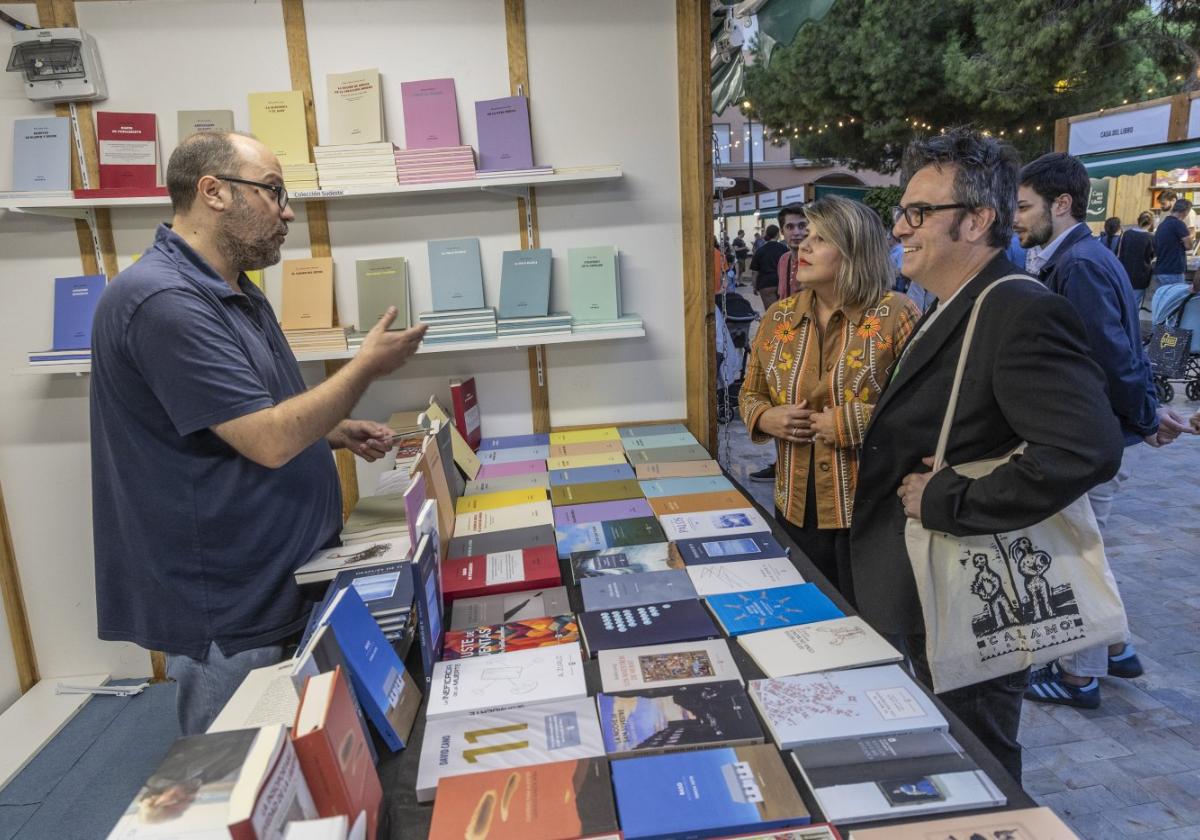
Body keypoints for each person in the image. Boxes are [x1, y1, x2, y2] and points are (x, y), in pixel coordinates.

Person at [90, 132, 428, 735]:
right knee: (230, 774)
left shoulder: (236, 289)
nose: (288, 211)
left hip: (282, 573)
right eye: (274, 192)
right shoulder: (163, 300)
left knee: (294, 756)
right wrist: (365, 368)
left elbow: (250, 414)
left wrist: (335, 428)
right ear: (213, 192)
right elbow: (269, 440)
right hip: (229, 596)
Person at [849, 128, 1124, 781]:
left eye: (919, 212)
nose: (901, 226)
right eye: (902, 211)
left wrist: (948, 498)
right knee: (955, 750)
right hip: (931, 583)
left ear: (977, 221)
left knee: (980, 761)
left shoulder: (1017, 309)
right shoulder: (958, 303)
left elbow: (1087, 447)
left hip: (972, 590)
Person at [1014, 152, 1191, 709]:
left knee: (1077, 558)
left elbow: (1109, 355)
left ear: (1060, 204)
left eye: (1023, 207)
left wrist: (1142, 417)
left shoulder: (1080, 264)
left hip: (1091, 437)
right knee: (1086, 550)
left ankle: (1079, 676)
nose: (1015, 217)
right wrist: (1147, 414)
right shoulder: (1081, 256)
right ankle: (1114, 649)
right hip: (1101, 431)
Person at [739, 196, 919, 596]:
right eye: (804, 234)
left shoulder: (896, 314)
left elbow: (923, 411)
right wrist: (766, 418)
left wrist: (846, 423)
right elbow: (750, 392)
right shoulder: (778, 317)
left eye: (820, 238)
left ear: (854, 250)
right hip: (795, 506)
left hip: (870, 512)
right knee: (810, 619)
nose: (802, 244)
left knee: (874, 629)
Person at [1117, 212, 1156, 311]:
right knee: (1134, 305)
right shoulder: (1150, 237)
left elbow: (1120, 251)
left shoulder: (1127, 234)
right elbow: (1152, 256)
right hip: (1141, 275)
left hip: (1124, 273)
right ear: (1151, 223)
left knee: (1122, 302)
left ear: (1138, 220)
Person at [1153, 199, 1194, 288]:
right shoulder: (1179, 224)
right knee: (1175, 300)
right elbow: (1189, 245)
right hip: (1173, 271)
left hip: (1161, 270)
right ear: (1185, 211)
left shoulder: (1162, 224)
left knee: (1163, 300)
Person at [747, 223, 788, 311]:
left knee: (771, 313)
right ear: (777, 234)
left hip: (765, 283)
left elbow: (755, 272)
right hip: (782, 282)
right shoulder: (784, 249)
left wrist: (754, 286)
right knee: (784, 312)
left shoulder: (760, 250)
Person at [775, 204, 810, 301]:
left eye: (802, 226)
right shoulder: (783, 259)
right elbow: (782, 296)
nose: (796, 233)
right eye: (790, 227)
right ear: (782, 231)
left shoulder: (817, 260)